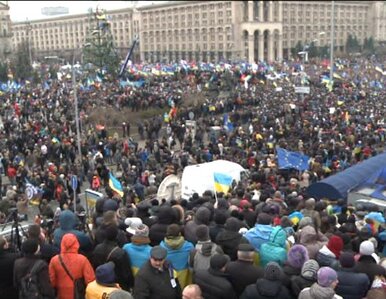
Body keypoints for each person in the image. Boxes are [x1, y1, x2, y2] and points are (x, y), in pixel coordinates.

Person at [49, 233, 95, 299]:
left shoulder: (54, 260)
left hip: (61, 295)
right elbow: (90, 280)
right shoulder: (82, 259)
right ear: (76, 244)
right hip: (78, 294)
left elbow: (52, 282)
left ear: (62, 244)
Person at [91, 224, 134, 291]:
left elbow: (94, 265)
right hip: (115, 285)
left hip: (100, 283)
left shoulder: (97, 248)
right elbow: (126, 274)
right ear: (116, 236)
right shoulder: (120, 253)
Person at [160, 223, 194, 289]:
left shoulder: (162, 246)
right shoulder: (189, 246)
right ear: (179, 233)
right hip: (185, 277)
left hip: (169, 276)